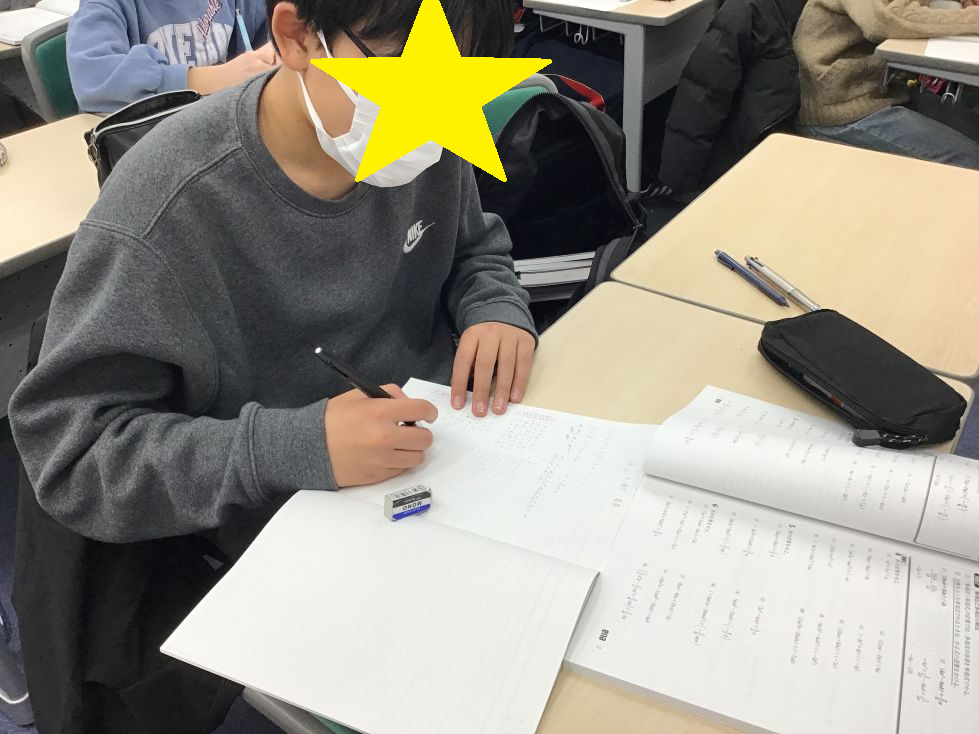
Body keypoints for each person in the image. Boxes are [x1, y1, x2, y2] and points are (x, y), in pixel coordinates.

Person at [10, 0, 535, 730]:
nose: (431, 115)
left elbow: (475, 247)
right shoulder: (169, 209)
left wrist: (495, 308)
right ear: (294, 37)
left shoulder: (427, 129)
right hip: (275, 527)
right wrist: (294, 447)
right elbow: (74, 457)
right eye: (402, 76)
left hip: (437, 466)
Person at [793, 0, 979, 169]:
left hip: (883, 89)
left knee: (973, 129)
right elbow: (883, 20)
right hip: (842, 106)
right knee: (970, 160)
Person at [67, 0, 276, 113]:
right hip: (147, 144)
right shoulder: (104, 5)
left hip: (221, 126)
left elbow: (271, 40)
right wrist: (214, 77)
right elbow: (93, 77)